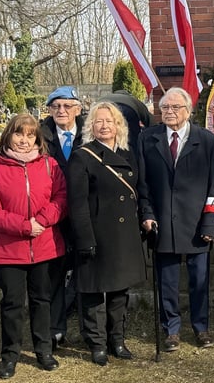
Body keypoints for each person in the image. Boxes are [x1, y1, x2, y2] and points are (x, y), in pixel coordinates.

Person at [0, 113, 67, 379]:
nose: (24, 141)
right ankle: (10, 355)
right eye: (19, 134)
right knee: (12, 303)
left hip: (44, 245)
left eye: (30, 135)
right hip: (8, 248)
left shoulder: (50, 166)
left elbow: (61, 198)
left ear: (38, 140)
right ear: (8, 136)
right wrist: (24, 226)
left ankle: (44, 350)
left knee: (42, 299)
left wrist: (41, 220)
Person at [137, 87, 214, 351]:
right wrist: (147, 214)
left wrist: (212, 222)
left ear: (188, 111)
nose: (169, 112)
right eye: (165, 108)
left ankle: (201, 328)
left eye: (175, 108)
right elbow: (142, 183)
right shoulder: (147, 138)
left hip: (197, 223)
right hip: (163, 221)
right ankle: (171, 329)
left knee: (200, 280)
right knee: (167, 281)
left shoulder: (207, 140)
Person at [67, 102, 147, 366]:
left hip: (124, 234)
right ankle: (97, 343)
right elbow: (77, 203)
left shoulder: (128, 152)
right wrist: (85, 239)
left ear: (118, 126)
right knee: (93, 292)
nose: (104, 126)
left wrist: (148, 218)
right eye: (99, 121)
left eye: (109, 121)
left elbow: (141, 188)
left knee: (118, 292)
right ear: (91, 126)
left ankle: (117, 339)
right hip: (96, 233)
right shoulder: (83, 156)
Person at [40, 85, 84, 350]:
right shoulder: (40, 136)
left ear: (78, 109)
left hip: (84, 217)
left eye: (67, 106)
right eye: (56, 106)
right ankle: (55, 330)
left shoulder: (90, 135)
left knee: (86, 275)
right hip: (53, 217)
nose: (61, 110)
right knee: (53, 276)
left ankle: (90, 331)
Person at [98, 90, 152, 155]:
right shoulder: (133, 100)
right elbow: (148, 119)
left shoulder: (103, 98)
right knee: (131, 138)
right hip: (128, 111)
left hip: (105, 111)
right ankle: (133, 157)